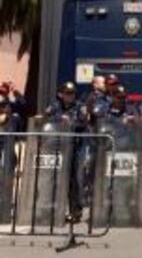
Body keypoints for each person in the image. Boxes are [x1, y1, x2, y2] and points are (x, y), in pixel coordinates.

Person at [45, 82, 91, 222]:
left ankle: (75, 211)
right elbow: (45, 117)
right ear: (61, 94)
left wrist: (70, 121)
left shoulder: (80, 106)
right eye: (67, 93)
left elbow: (83, 122)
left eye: (72, 93)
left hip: (77, 147)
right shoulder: (55, 105)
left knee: (75, 178)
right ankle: (52, 210)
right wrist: (59, 119)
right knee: (53, 178)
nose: (70, 96)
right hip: (59, 146)